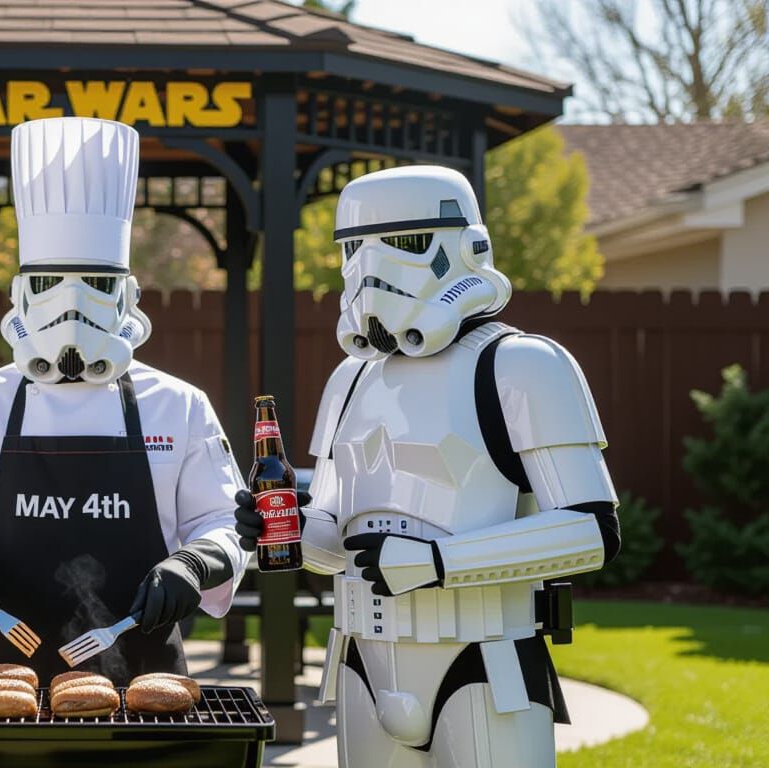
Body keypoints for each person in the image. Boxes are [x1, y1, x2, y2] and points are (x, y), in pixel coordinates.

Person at [236, 165, 620, 767]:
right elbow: (339, 536)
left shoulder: (523, 365)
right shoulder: (350, 379)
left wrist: (439, 562)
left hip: (483, 658)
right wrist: (284, 532)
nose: (371, 268)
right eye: (354, 249)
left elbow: (591, 531)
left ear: (466, 249)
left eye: (406, 244)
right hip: (364, 658)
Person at [0, 117, 248, 686]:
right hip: (0, 668)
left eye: (96, 285)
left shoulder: (178, 404)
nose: (72, 305)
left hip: (144, 677)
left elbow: (224, 520)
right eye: (49, 285)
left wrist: (193, 563)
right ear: (20, 294)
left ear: (127, 296)